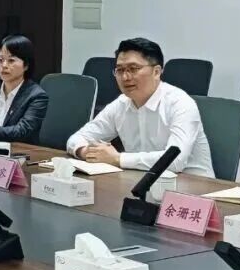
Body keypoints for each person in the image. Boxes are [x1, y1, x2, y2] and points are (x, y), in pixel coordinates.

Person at [66, 38, 214, 177]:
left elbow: (175, 161)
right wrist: (86, 152)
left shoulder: (180, 103)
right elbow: (77, 138)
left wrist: (117, 158)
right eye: (120, 70)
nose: (125, 77)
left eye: (133, 68)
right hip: (142, 182)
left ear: (156, 72)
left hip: (194, 188)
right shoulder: (121, 104)